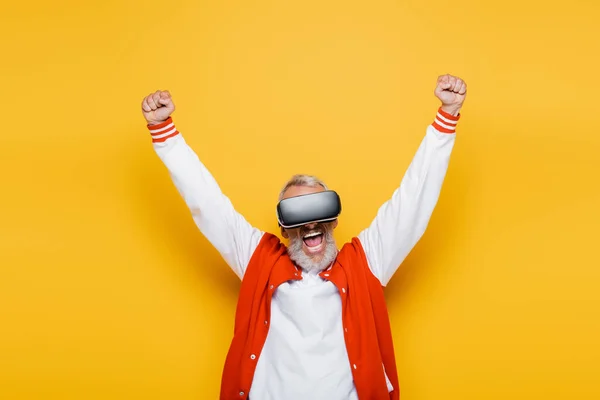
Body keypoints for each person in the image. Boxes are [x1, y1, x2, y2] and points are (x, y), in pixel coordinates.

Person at [140, 74, 467, 400]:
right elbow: (207, 203)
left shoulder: (367, 260)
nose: (311, 224)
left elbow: (413, 200)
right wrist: (165, 133)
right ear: (283, 227)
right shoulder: (259, 260)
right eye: (297, 214)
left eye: (319, 212)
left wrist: (447, 116)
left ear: (334, 220)